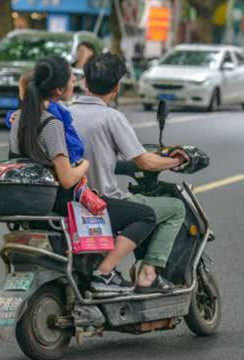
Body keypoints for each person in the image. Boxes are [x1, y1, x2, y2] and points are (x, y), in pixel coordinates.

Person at [9, 56, 157, 293]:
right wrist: (85, 165)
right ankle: (104, 273)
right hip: (65, 200)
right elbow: (67, 178)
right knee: (146, 215)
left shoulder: (18, 120)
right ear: (58, 89)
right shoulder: (53, 123)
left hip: (33, 200)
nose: (75, 81)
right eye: (71, 78)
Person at [70, 53, 187, 293]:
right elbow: (144, 162)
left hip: (68, 200)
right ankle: (144, 272)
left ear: (85, 82)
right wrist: (173, 161)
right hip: (101, 202)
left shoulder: (64, 113)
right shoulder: (111, 117)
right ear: (117, 87)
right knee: (174, 209)